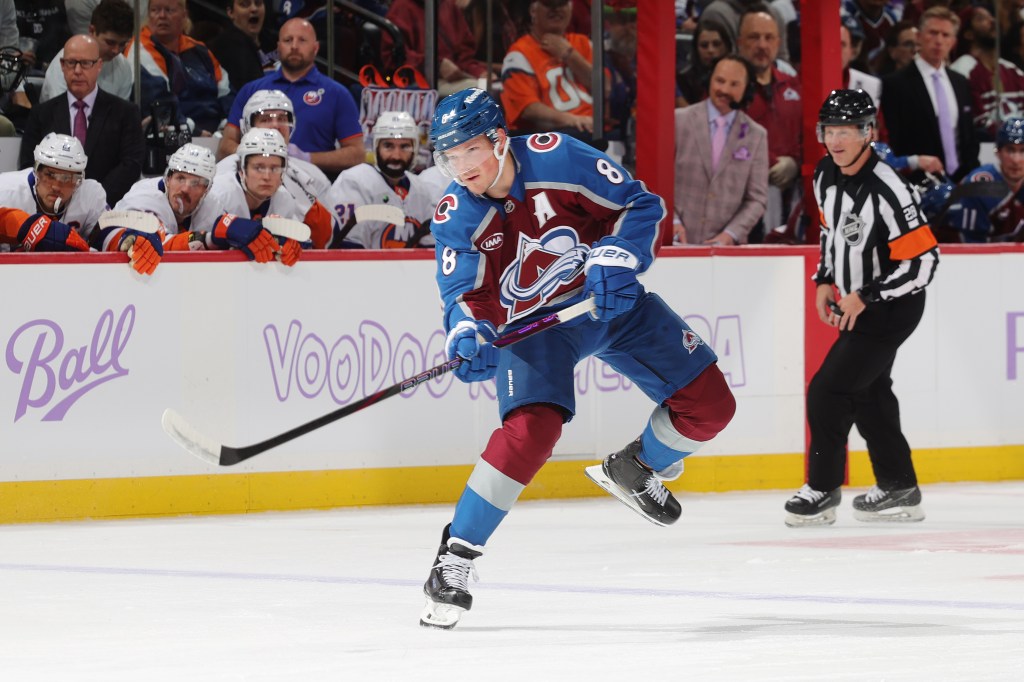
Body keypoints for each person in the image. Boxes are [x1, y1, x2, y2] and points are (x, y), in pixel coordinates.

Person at [418, 88, 736, 629]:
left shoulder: (559, 157)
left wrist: (617, 257)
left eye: (467, 151)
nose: (458, 167)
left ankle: (637, 467)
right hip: (538, 329)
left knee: (710, 407)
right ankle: (454, 560)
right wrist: (467, 334)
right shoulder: (455, 214)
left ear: (498, 139)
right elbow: (462, 297)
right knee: (529, 432)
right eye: (448, 156)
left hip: (609, 302)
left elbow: (639, 204)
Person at [784, 89, 938, 528]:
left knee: (828, 391)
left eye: (846, 130)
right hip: (857, 305)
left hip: (892, 307)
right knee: (869, 392)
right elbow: (831, 236)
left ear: (867, 133)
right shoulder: (824, 176)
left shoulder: (889, 187)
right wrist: (823, 280)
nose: (835, 139)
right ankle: (899, 488)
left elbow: (924, 261)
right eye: (829, 130)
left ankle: (822, 489)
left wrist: (866, 295)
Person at [217, 18, 364, 176]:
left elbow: (357, 154)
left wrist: (308, 158)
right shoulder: (252, 90)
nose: (294, 46)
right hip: (255, 185)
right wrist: (254, 152)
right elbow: (225, 147)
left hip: (315, 188)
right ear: (278, 47)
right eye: (288, 40)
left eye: (302, 40)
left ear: (315, 48)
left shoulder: (337, 93)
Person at [20, 34, 144, 206]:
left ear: (99, 65)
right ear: (62, 66)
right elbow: (29, 166)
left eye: (85, 63)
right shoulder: (41, 114)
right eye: (71, 63)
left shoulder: (126, 113)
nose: (77, 71)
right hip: (52, 211)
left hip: (109, 209)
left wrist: (93, 201)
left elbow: (131, 165)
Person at [112, 142, 282, 265]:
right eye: (180, 178)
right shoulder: (145, 197)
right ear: (168, 179)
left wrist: (274, 240)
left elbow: (231, 245)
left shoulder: (211, 204)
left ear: (206, 190)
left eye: (196, 183)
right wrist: (209, 238)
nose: (186, 189)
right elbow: (156, 245)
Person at [216, 88, 335, 249]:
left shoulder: (312, 177)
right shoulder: (222, 174)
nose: (275, 125)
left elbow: (328, 241)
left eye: (282, 118)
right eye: (265, 119)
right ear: (247, 126)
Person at [673, 55, 768, 245]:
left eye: (734, 84)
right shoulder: (678, 121)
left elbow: (757, 199)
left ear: (747, 89)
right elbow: (657, 183)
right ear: (709, 80)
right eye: (720, 81)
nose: (724, 90)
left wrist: (731, 234)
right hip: (674, 242)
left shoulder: (756, 135)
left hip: (727, 252)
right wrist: (671, 221)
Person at [881, 6, 980, 183]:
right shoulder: (895, 84)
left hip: (961, 181)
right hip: (917, 183)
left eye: (945, 35)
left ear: (953, 41)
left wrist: (970, 174)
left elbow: (968, 136)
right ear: (918, 37)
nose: (938, 40)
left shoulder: (961, 82)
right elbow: (893, 141)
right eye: (933, 33)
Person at [327, 110, 435, 249]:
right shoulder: (354, 181)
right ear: (375, 147)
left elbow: (429, 249)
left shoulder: (421, 189)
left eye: (404, 146)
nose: (396, 156)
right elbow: (348, 250)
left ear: (415, 149)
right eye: (388, 146)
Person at [737, 5, 801, 235]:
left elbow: (810, 135)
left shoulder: (793, 85)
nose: (762, 45)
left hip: (792, 198)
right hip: (739, 205)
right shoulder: (726, 87)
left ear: (778, 42)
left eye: (769, 38)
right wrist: (771, 162)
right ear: (740, 41)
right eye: (754, 37)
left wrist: (795, 162)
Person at [499, 0, 603, 143]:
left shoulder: (584, 43)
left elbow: (606, 88)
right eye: (549, 4)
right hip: (552, 135)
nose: (556, 10)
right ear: (533, 11)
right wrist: (572, 120)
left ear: (571, 8)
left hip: (593, 128)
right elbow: (528, 108)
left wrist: (570, 55)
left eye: (561, 4)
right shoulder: (519, 54)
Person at [125, 0, 233, 136]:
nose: (162, 16)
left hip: (217, 131)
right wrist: (194, 131)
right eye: (155, 10)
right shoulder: (140, 50)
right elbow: (158, 103)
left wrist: (229, 124)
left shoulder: (199, 49)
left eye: (169, 10)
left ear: (184, 15)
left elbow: (226, 91)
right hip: (177, 135)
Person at [207, 128, 308, 265]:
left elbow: (302, 240)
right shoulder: (218, 194)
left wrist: (292, 244)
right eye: (258, 167)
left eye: (274, 168)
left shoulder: (284, 199)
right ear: (242, 170)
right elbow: (197, 241)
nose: (266, 177)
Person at [0, 133, 97, 252]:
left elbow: (106, 234)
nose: (56, 186)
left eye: (66, 178)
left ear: (78, 181)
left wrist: (121, 238)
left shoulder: (91, 194)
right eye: (50, 175)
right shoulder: (5, 191)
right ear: (37, 172)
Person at [382, 0, 494, 97]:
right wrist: (436, 66)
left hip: (453, 80)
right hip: (420, 84)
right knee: (478, 93)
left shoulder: (448, 5)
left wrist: (479, 72)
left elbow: (465, 55)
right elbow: (393, 58)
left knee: (496, 88)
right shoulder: (401, 8)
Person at [950, 6, 1024, 142]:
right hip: (982, 150)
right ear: (968, 34)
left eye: (991, 17)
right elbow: (977, 123)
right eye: (981, 18)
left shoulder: (1014, 71)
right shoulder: (962, 70)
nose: (992, 21)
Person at [39, 0, 134, 103]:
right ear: (92, 31)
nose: (116, 51)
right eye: (110, 42)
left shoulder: (124, 67)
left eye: (122, 44)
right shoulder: (65, 63)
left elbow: (121, 115)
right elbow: (62, 115)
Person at [950, 117, 1024, 243]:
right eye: (1010, 150)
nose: (1016, 160)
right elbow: (970, 246)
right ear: (998, 152)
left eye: (1023, 151)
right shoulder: (978, 187)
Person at [209, 0, 277, 92]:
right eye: (244, 4)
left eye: (258, 3)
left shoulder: (272, 39)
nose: (254, 9)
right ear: (230, 12)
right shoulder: (229, 46)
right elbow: (252, 92)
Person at [677, 18, 733, 107]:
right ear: (696, 49)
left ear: (726, 46)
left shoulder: (739, 74)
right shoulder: (685, 78)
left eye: (716, 44)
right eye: (704, 45)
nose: (710, 50)